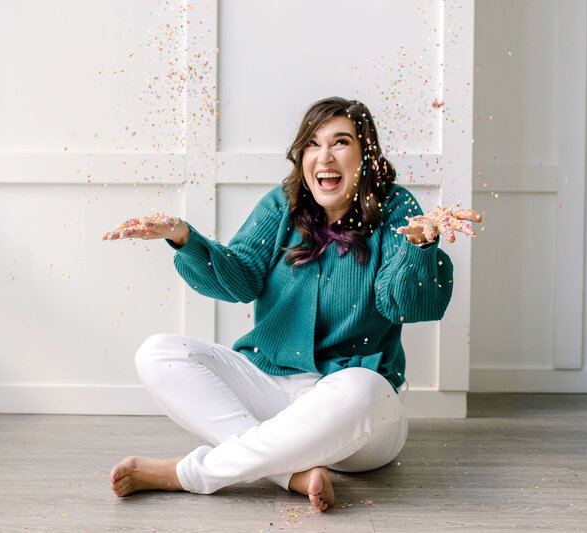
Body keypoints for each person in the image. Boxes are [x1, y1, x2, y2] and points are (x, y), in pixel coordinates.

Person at [102, 96, 482, 511]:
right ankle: (289, 473)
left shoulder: (395, 208)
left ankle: (186, 473)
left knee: (364, 388)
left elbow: (401, 304)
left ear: (366, 155)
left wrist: (419, 248)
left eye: (340, 142)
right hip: (270, 385)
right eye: (313, 144)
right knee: (158, 352)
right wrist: (184, 239)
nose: (324, 157)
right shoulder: (281, 204)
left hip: (352, 413)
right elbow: (239, 277)